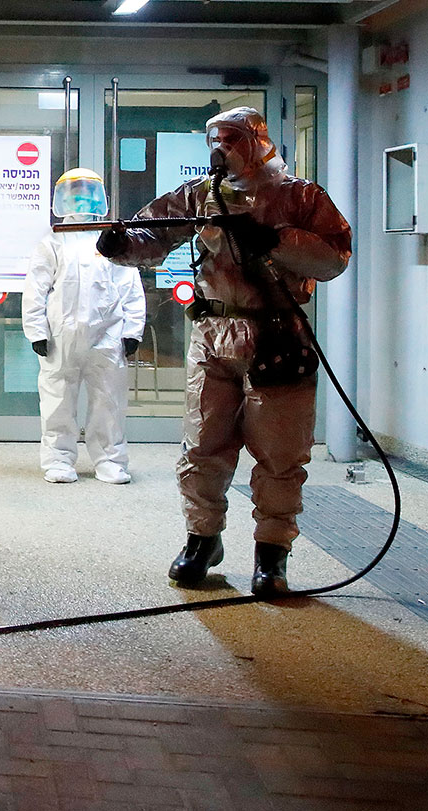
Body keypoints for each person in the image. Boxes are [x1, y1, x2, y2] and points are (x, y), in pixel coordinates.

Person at [95, 107, 351, 596]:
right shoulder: (204, 195)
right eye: (214, 140)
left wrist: (277, 240)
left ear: (256, 139)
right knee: (203, 442)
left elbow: (334, 256)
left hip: (277, 337)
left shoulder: (301, 196)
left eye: (230, 139)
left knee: (280, 451)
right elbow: (157, 229)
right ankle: (201, 539)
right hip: (213, 333)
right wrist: (121, 243)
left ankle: (272, 554)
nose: (220, 149)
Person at [22, 169, 146, 485]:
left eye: (88, 192)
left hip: (107, 337)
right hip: (60, 337)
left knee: (110, 401)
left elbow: (130, 286)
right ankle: (58, 461)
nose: (81, 198)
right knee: (56, 402)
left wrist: (133, 330)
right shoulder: (52, 243)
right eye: (74, 192)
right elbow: (35, 289)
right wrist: (36, 330)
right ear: (60, 199)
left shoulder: (112, 242)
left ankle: (110, 460)